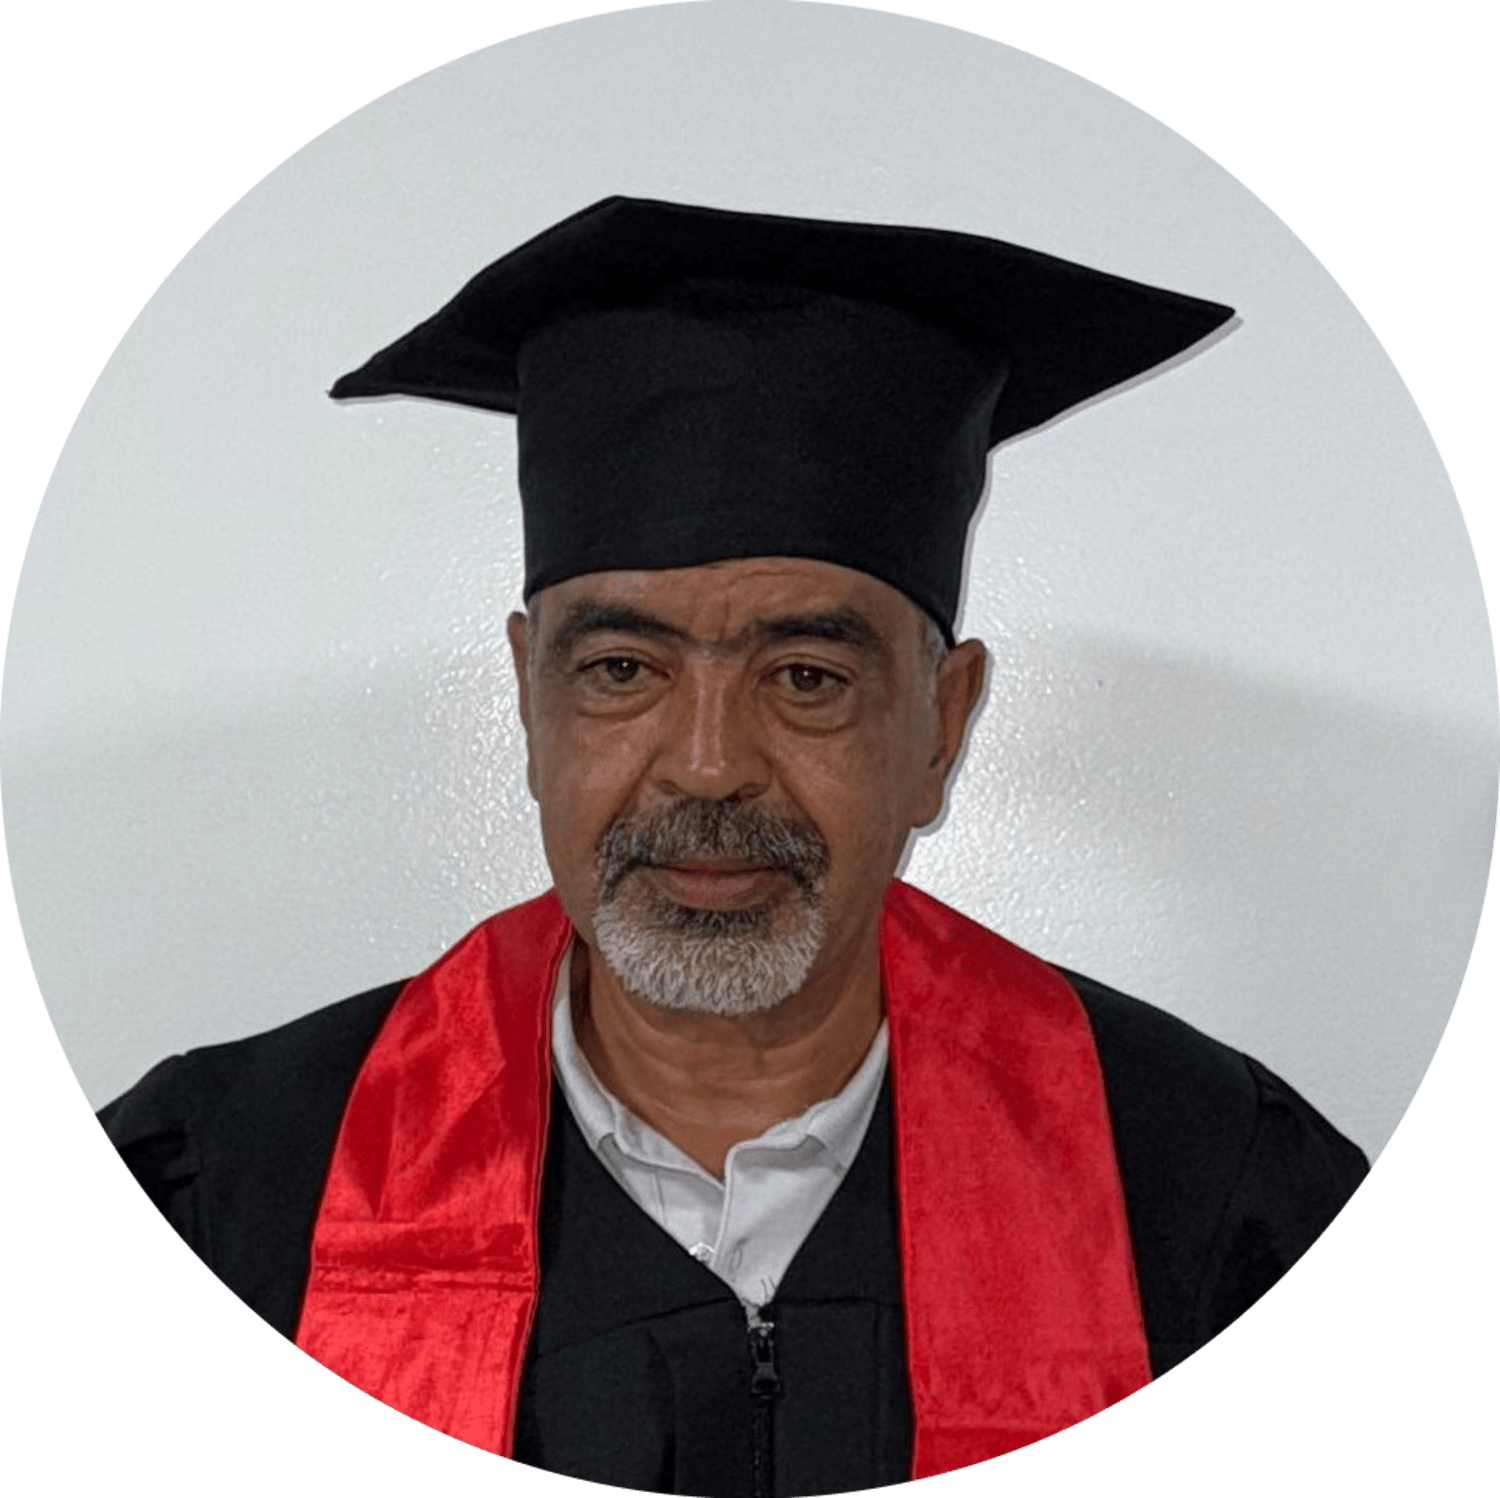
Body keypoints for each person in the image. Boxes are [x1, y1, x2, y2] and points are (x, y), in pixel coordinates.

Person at [99, 197, 1368, 1496]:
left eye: (808, 676)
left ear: (940, 726)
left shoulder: (1218, 1200)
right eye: (622, 669)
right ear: (531, 701)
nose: (709, 764)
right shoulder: (224, 1206)